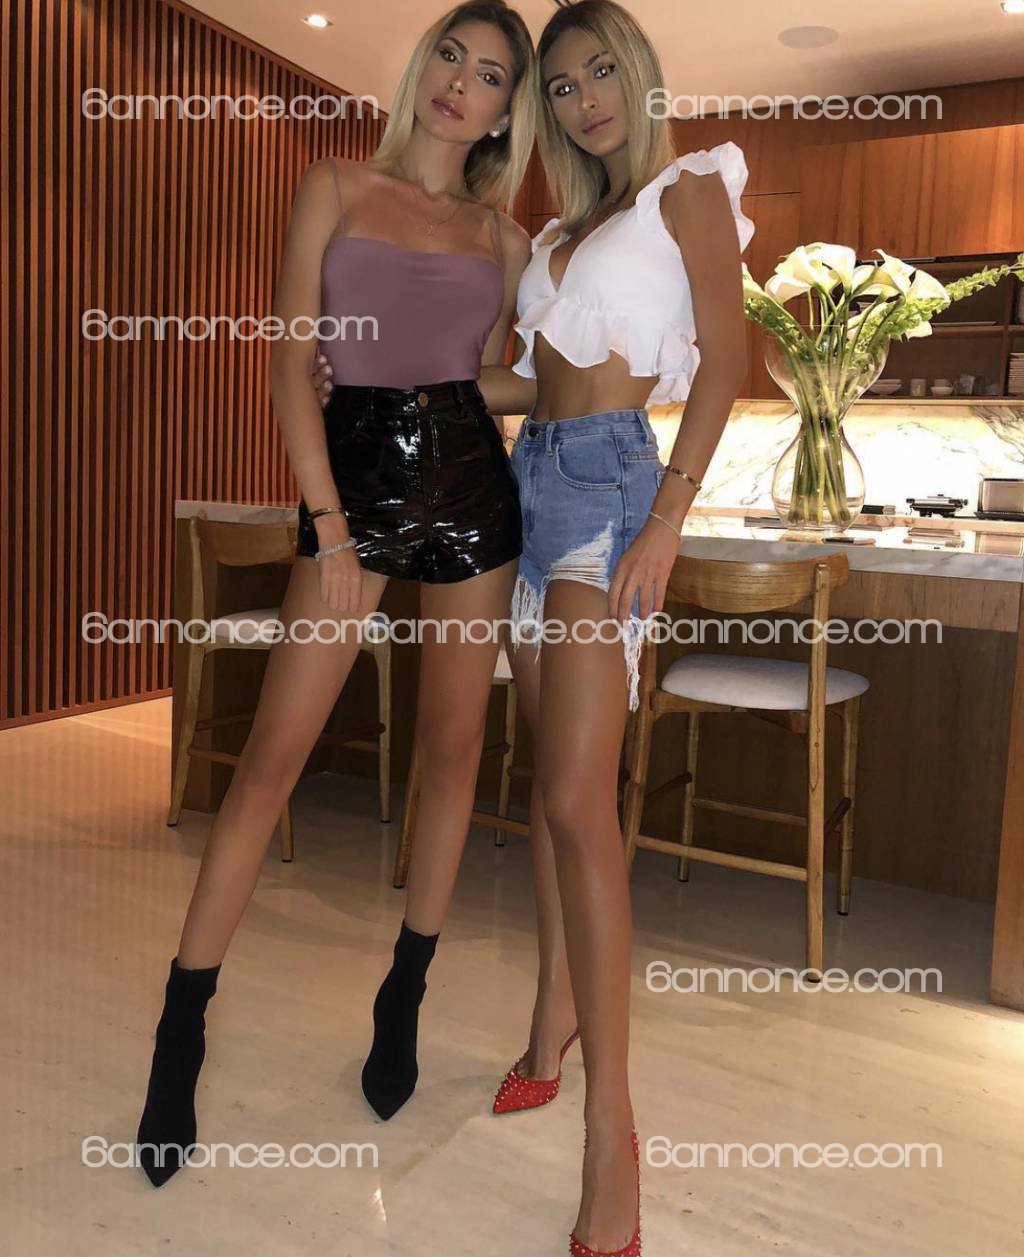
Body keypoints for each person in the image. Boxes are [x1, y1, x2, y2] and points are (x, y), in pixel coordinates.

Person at [134, 0, 536, 1187]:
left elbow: (495, 382)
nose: (461, 82)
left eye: (490, 74)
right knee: (271, 760)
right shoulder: (334, 185)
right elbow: (287, 356)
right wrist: (323, 519)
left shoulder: (506, 240)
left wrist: (567, 383)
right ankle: (180, 1030)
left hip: (472, 494)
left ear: (505, 112)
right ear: (424, 69)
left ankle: (403, 995)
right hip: (347, 492)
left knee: (452, 758)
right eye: (451, 57)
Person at [479, 2, 755, 1252]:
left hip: (610, 491)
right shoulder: (556, 232)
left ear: (638, 78)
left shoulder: (684, 193)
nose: (585, 98)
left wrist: (667, 525)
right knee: (548, 792)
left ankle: (611, 1130)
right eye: (563, 83)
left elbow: (728, 363)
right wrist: (403, 378)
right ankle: (551, 1024)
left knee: (577, 803)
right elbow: (530, 382)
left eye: (602, 72)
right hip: (529, 480)